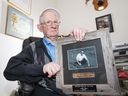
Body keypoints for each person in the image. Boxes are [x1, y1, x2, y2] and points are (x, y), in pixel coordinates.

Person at [3, 8, 87, 96]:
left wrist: (84, 36)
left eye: (55, 22)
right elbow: (10, 70)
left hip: (75, 88)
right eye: (48, 22)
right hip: (48, 90)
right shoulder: (33, 47)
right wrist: (42, 68)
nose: (53, 25)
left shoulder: (69, 41)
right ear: (40, 27)